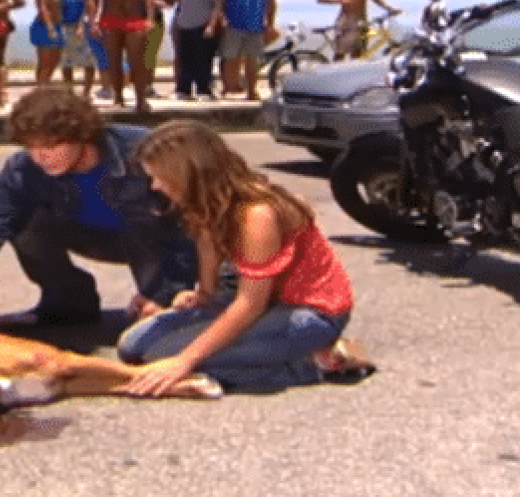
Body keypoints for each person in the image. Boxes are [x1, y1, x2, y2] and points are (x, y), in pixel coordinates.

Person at [0, 86, 198, 324]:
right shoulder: (24, 169)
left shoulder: (142, 151)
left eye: (51, 146)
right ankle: (69, 300)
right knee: (24, 220)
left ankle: (163, 303)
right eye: (31, 147)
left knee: (157, 306)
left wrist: (167, 291)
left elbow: (191, 221)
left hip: (153, 239)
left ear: (83, 135)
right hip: (91, 236)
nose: (40, 157)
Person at [118, 119, 362, 394]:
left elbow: (250, 305)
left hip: (309, 312)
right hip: (261, 301)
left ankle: (316, 363)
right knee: (132, 345)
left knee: (162, 356)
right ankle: (258, 359)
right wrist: (204, 295)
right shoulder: (206, 203)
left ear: (188, 175)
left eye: (159, 177)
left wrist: (184, 361)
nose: (155, 186)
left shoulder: (257, 215)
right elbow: (208, 253)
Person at [89, 0, 156, 114]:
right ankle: (118, 97)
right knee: (113, 61)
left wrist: (150, 19)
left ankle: (141, 99)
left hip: (134, 19)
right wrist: (93, 21)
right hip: (110, 18)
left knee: (137, 61)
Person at [219, 0, 278, 101]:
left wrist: (270, 24)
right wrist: (221, 17)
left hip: (256, 26)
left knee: (253, 61)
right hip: (233, 24)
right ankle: (228, 89)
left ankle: (251, 92)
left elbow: (271, 3)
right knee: (230, 58)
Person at [170, 0, 224, 100]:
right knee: (185, 60)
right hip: (185, 27)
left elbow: (217, 7)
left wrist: (211, 26)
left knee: (203, 60)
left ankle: (203, 90)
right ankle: (184, 90)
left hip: (202, 27)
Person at [59, 0, 99, 98]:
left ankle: (86, 93)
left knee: (89, 63)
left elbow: (91, 14)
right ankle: (69, 93)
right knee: (67, 64)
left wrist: (90, 27)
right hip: (66, 30)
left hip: (83, 31)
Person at [148, 0, 184, 95]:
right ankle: (143, 85)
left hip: (161, 19)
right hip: (146, 18)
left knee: (152, 54)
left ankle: (148, 85)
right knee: (144, 54)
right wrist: (155, 2)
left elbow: (174, 1)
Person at [29, 0, 65, 87]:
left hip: (58, 25)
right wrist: (50, 27)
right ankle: (40, 89)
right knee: (45, 62)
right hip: (45, 26)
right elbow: (42, 6)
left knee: (55, 59)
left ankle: (45, 85)